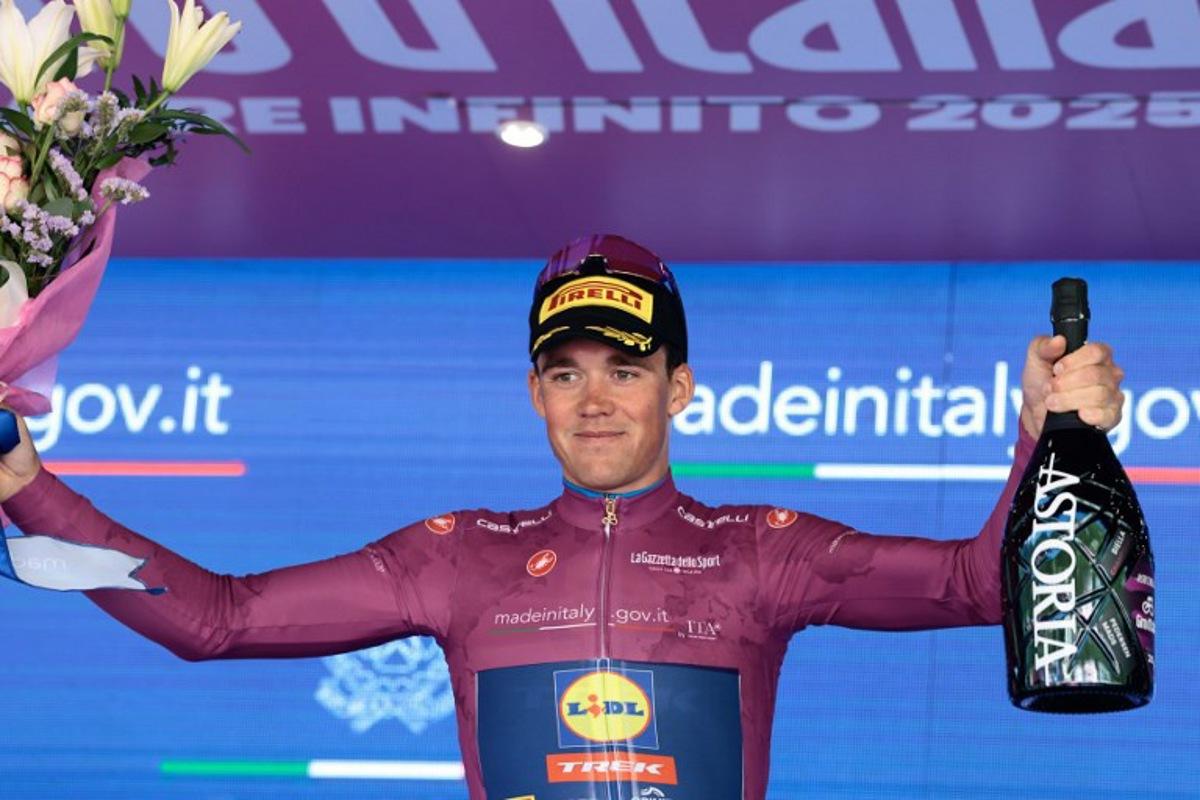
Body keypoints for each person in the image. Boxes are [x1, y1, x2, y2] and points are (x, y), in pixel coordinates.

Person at [0, 234, 1126, 800]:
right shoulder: (454, 559)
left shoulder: (763, 554)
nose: (595, 398)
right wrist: (25, 484)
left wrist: (1041, 431)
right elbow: (218, 617)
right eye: (566, 369)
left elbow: (987, 585)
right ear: (534, 389)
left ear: (680, 387)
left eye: (626, 368)